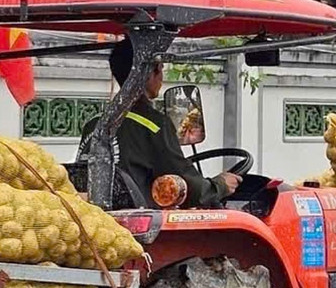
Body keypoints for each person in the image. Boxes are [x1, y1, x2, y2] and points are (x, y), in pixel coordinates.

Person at [93, 40, 241, 208]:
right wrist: (220, 185)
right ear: (149, 73)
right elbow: (185, 185)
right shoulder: (154, 124)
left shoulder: (95, 123)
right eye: (161, 69)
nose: (162, 77)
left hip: (99, 215)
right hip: (143, 221)